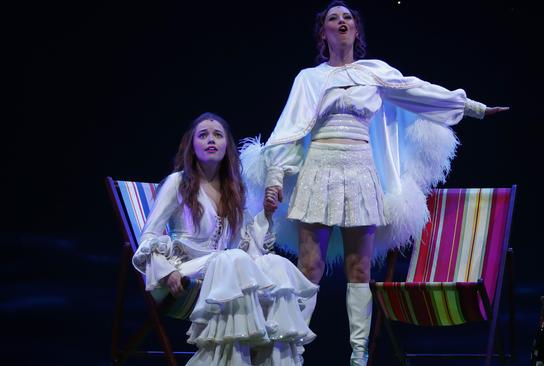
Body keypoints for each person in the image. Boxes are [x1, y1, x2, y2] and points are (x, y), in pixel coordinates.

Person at [240, 2, 509, 365]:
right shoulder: (309, 78)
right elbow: (287, 132)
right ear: (324, 33)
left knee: (359, 268)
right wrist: (274, 179)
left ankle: (359, 354)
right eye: (333, 18)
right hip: (319, 167)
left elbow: (419, 91)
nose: (341, 21)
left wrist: (473, 107)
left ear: (356, 30)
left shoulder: (375, 72)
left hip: (360, 169)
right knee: (310, 267)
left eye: (347, 17)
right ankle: (292, 350)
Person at [131, 112, 318, 366]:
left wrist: (266, 215)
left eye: (218, 135)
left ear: (226, 145)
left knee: (276, 265)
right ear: (192, 144)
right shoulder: (178, 183)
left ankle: (273, 358)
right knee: (234, 260)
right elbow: (150, 235)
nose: (211, 140)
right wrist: (164, 271)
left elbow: (250, 249)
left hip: (226, 276)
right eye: (203, 135)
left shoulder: (235, 190)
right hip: (182, 276)